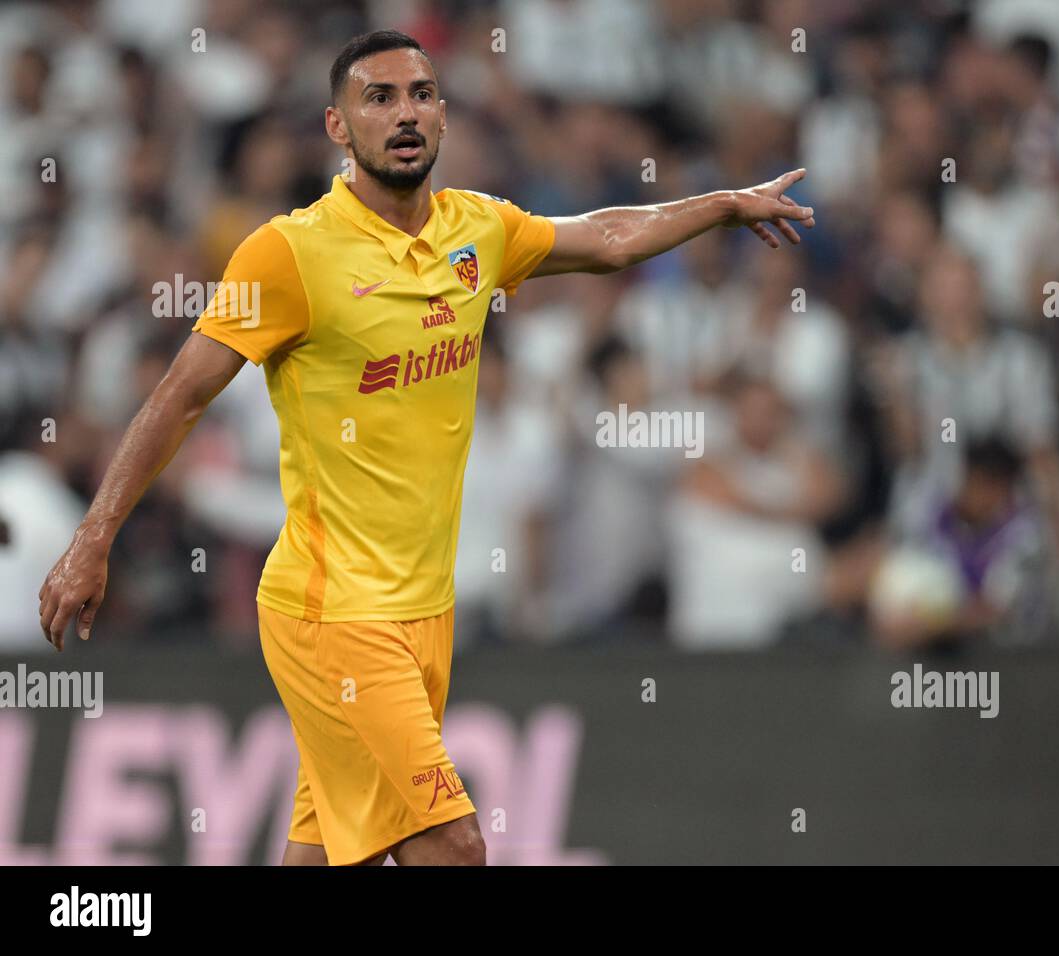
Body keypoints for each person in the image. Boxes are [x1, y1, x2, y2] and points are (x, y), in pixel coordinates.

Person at [35, 30, 815, 867]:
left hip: (423, 612)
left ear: (442, 113)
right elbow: (178, 396)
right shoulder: (290, 253)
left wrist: (724, 205)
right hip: (332, 611)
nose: (404, 113)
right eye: (379, 98)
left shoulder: (477, 231)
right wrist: (93, 538)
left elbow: (611, 236)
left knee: (333, 852)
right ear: (338, 127)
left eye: (421, 94)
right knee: (452, 843)